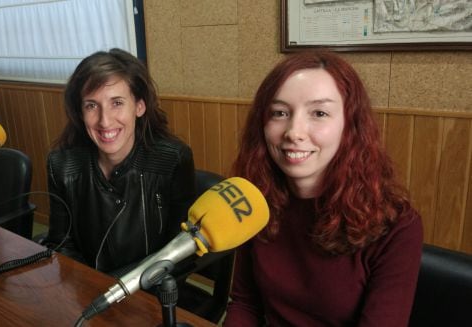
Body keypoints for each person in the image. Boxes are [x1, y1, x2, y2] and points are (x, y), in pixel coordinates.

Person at [224, 51, 423, 326]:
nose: (294, 131)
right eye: (280, 113)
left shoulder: (397, 225)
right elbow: (245, 303)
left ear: (349, 126)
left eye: (319, 113)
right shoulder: (254, 199)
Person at [43, 48, 196, 275]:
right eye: (92, 105)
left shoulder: (172, 160)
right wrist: (91, 289)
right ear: (80, 111)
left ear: (139, 106)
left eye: (117, 103)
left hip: (149, 294)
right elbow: (61, 244)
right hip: (86, 292)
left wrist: (118, 290)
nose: (105, 121)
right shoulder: (61, 165)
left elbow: (178, 253)